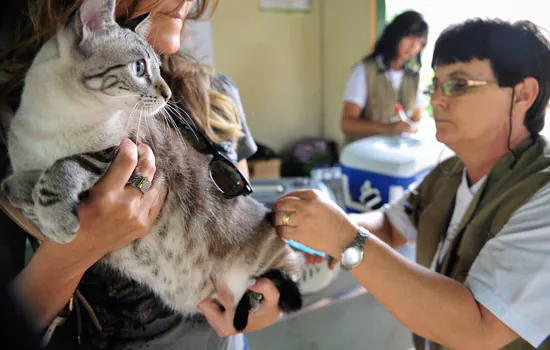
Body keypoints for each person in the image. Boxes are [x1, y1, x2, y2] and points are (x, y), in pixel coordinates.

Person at [0, 0, 282, 349]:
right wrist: (77, 251)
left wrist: (270, 296)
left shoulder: (216, 96)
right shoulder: (18, 117)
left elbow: (242, 230)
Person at [274, 18, 550, 349]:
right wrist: (323, 225)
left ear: (523, 94)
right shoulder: (448, 173)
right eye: (437, 85)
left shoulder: (541, 195)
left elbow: (478, 327)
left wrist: (345, 239)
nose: (437, 101)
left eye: (459, 84)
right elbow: (392, 225)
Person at [341, 10, 429, 145]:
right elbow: (347, 124)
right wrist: (390, 129)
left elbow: (417, 116)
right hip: (364, 155)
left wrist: (411, 126)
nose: (414, 46)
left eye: (420, 42)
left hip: (397, 154)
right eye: (410, 38)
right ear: (395, 36)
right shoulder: (365, 70)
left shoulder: (413, 76)